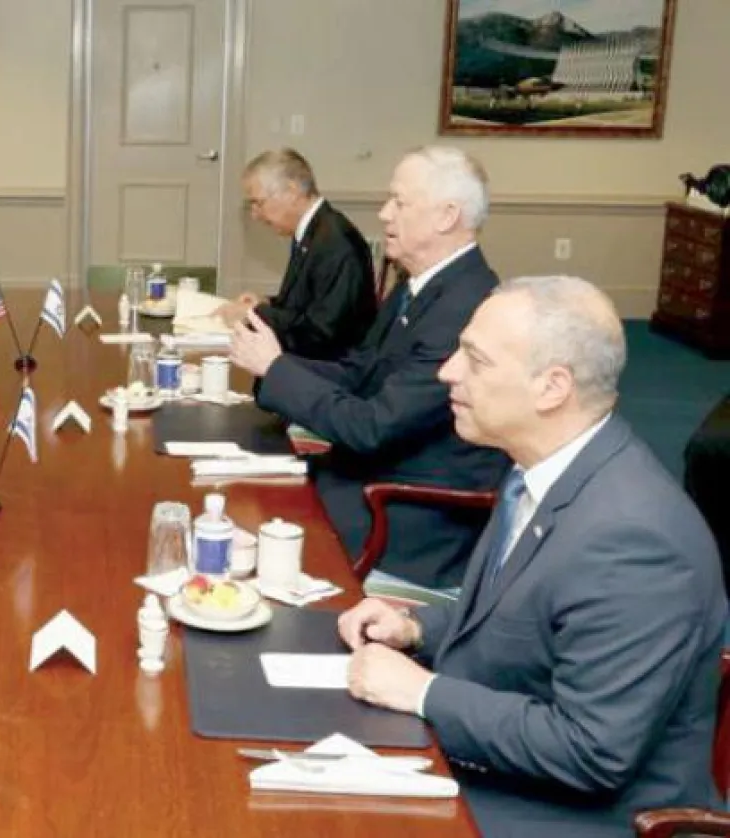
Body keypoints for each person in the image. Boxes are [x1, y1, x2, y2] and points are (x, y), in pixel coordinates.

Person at [338, 275, 726, 836]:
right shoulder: (543, 470)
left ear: (551, 388)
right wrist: (417, 627)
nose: (447, 371)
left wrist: (423, 692)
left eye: (475, 360)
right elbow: (525, 617)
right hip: (512, 769)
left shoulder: (635, 538)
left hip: (579, 816)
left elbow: (591, 751)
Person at [226, 146, 509, 591]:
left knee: (244, 532)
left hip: (406, 513)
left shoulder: (465, 306)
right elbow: (360, 371)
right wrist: (275, 367)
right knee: (237, 500)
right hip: (365, 473)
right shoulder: (420, 286)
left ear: (446, 216)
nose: (383, 214)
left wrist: (277, 368)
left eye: (399, 202)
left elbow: (374, 425)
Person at [219, 149, 376, 360]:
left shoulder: (336, 244)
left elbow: (321, 333)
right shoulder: (312, 231)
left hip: (331, 367)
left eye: (259, 203)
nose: (255, 215)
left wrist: (256, 314)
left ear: (292, 192)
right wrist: (267, 303)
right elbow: (305, 306)